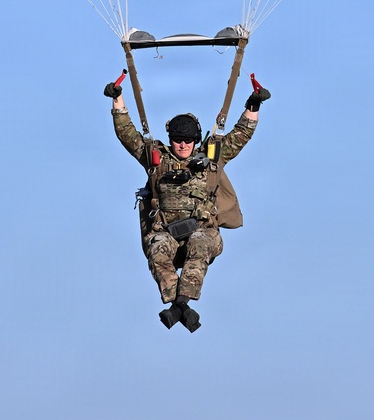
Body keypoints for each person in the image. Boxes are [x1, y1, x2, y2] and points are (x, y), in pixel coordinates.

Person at [103, 76, 270, 331]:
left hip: (203, 232)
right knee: (157, 247)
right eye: (178, 141)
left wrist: (253, 105)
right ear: (170, 138)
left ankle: (178, 305)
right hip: (166, 233)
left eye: (188, 141)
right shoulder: (156, 159)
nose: (183, 146)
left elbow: (240, 136)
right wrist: (118, 99)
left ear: (196, 140)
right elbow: (127, 134)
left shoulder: (211, 158)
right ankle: (180, 307)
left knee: (199, 242)